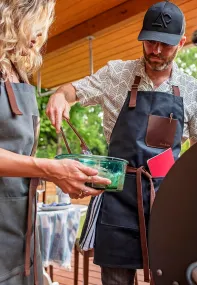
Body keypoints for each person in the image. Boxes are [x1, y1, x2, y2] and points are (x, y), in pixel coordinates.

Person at [46, 1, 197, 284]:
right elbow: (71, 90)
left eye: (165, 44)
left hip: (167, 200)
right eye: (149, 42)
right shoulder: (117, 74)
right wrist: (60, 97)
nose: (156, 51)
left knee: (171, 277)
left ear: (182, 43)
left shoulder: (192, 90)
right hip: (118, 197)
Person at [0, 1, 110, 284]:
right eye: (34, 25)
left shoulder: (17, 71)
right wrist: (49, 169)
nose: (38, 37)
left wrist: (60, 172)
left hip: (21, 223)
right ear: (12, 18)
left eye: (43, 28)